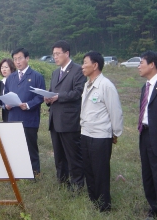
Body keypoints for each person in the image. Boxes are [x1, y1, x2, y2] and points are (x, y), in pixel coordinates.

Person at [80, 51, 123, 212]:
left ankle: (104, 206)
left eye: (85, 63)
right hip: (85, 133)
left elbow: (115, 111)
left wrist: (115, 132)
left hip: (100, 135)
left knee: (100, 171)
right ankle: (94, 200)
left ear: (95, 65)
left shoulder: (106, 85)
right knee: (88, 169)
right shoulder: (87, 84)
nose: (82, 66)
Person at [44, 40, 86, 189]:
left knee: (73, 154)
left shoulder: (78, 70)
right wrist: (48, 99)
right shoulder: (55, 73)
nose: (55, 57)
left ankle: (77, 184)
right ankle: (62, 181)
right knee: (59, 154)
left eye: (57, 54)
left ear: (67, 53)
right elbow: (51, 91)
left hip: (69, 120)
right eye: (53, 54)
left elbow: (79, 92)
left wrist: (58, 97)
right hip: (55, 119)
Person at [4, 47, 45, 176]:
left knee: (30, 146)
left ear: (27, 58)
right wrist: (7, 105)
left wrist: (28, 105)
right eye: (15, 59)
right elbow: (5, 95)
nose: (17, 62)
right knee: (15, 147)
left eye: (20, 58)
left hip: (29, 118)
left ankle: (34, 172)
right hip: (13, 117)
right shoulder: (11, 78)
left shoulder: (36, 76)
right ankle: (17, 171)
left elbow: (41, 96)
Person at [137, 51, 157, 218]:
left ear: (152, 64)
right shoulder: (145, 86)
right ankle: (153, 206)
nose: (139, 66)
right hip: (144, 133)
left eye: (141, 62)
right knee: (147, 172)